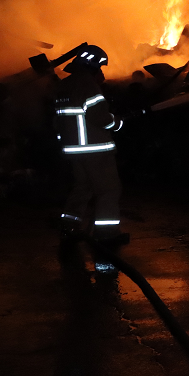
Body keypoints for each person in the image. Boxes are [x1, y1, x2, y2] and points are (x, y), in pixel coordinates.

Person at [54, 45, 127, 244]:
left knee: (82, 188)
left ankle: (68, 226)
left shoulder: (65, 85)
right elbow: (100, 116)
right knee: (108, 190)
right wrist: (118, 122)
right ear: (92, 65)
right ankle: (107, 235)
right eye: (100, 66)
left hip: (73, 151)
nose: (101, 71)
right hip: (94, 149)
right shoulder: (87, 85)